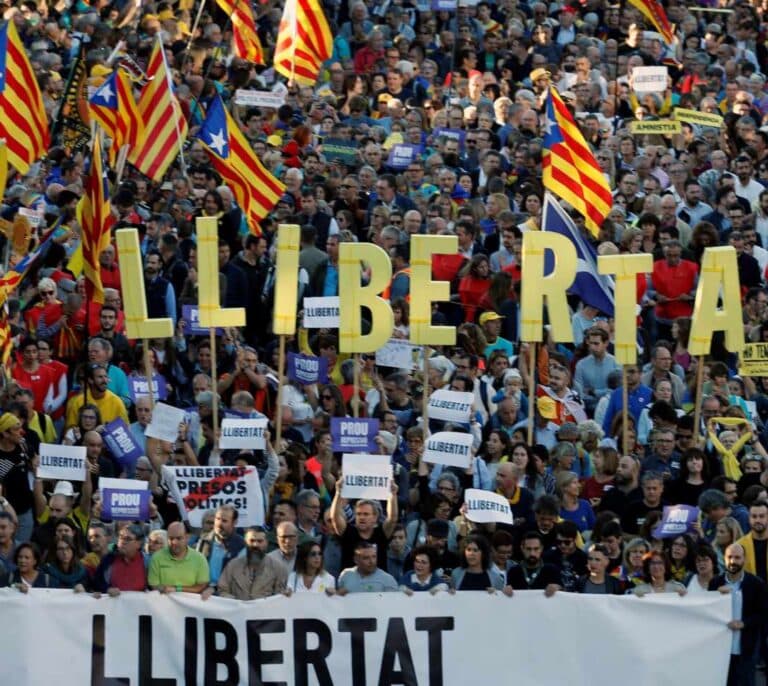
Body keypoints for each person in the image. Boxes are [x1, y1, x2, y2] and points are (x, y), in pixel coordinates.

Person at [710, 543, 768, 686]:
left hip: (746, 649)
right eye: (730, 557)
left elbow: (763, 614)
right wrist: (717, 595)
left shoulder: (756, 584)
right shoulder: (715, 583)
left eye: (737, 557)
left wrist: (744, 623)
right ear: (724, 558)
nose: (733, 561)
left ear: (744, 559)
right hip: (721, 649)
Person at [215, 526, 288, 600]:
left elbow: (279, 598)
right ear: (245, 542)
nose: (255, 545)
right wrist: (237, 603)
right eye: (252, 541)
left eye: (260, 541)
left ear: (266, 543)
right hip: (238, 610)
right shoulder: (232, 566)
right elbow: (222, 590)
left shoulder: (278, 568)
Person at [147, 521, 210, 594]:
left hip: (189, 604)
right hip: (163, 604)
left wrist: (176, 589)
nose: (174, 542)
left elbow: (201, 586)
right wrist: (165, 590)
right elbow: (154, 585)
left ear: (187, 538)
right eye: (171, 538)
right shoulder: (156, 558)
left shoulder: (200, 559)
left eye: (179, 538)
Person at [194, 504, 245, 585]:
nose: (219, 524)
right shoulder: (204, 541)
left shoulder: (241, 546)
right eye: (217, 519)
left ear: (234, 522)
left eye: (224, 521)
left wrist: (214, 589)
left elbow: (239, 579)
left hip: (226, 594)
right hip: (202, 591)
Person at [92, 524, 148, 594]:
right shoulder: (108, 559)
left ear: (139, 544)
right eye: (121, 537)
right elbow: (96, 584)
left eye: (128, 539)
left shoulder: (147, 561)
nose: (122, 542)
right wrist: (107, 589)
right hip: (113, 604)